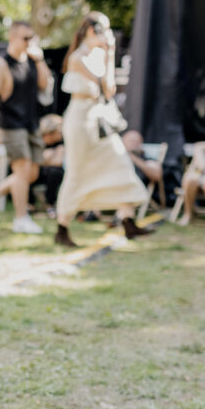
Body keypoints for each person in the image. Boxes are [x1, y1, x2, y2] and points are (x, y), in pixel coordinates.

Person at [54, 12, 152, 247]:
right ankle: (62, 227)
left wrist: (109, 53)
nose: (107, 35)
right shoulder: (78, 57)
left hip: (99, 119)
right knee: (77, 172)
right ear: (92, 31)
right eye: (104, 30)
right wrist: (107, 53)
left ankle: (128, 221)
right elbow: (99, 82)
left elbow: (109, 89)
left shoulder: (99, 55)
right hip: (80, 121)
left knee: (120, 163)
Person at [0, 21, 54, 233]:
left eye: (32, 38)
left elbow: (45, 84)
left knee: (32, 172)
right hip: (11, 124)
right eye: (25, 38)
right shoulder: (1, 64)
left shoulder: (32, 59)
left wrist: (39, 59)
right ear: (12, 38)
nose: (29, 42)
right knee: (21, 170)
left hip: (32, 123)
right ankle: (21, 218)